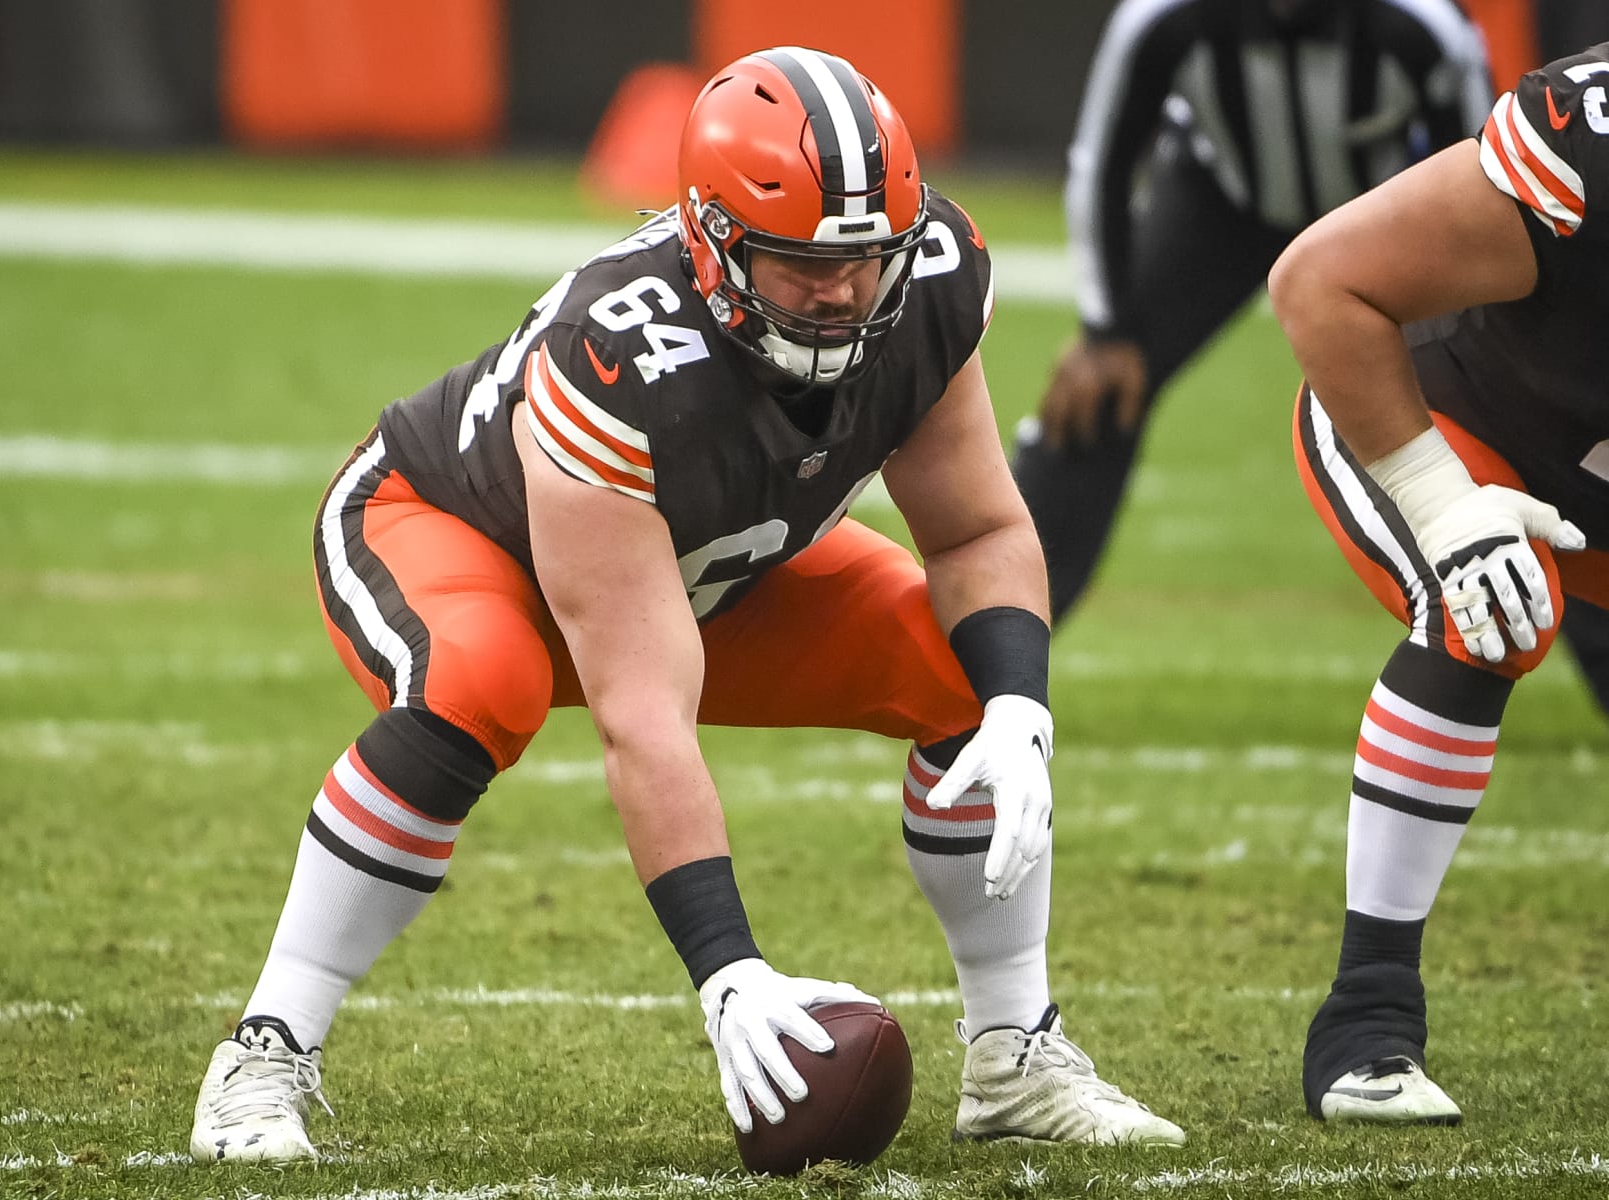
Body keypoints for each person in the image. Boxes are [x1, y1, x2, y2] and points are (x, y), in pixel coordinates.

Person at [186, 46, 1185, 1163]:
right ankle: (267, 1045)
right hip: (450, 529)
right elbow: (643, 715)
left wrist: (1019, 709)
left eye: (865, 258)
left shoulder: (930, 281)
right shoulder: (615, 355)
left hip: (703, 562)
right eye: (803, 262)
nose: (845, 291)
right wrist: (729, 975)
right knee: (486, 681)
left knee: (967, 665)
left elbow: (977, 531)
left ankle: (1015, 1053)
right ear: (712, 242)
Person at [1269, 41, 1609, 1123]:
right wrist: (1442, 501)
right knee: (1494, 614)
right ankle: (1366, 1021)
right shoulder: (1584, 143)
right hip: (1435, 414)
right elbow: (1323, 282)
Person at [1012, 0, 1494, 622]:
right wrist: (1105, 331)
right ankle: (998, 647)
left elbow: (1485, 180)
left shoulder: (1422, 25)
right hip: (1221, 204)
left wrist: (1487, 340)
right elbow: (1101, 161)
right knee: (1096, 395)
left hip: (1377, 210)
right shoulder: (1166, 18)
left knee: (1501, 402)